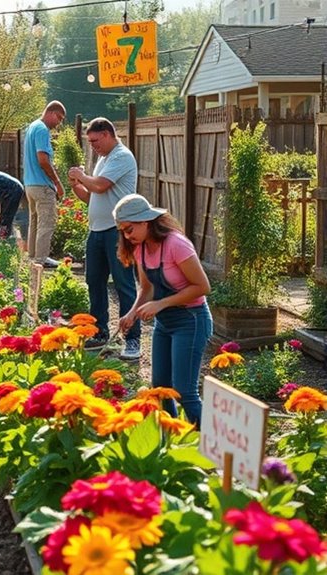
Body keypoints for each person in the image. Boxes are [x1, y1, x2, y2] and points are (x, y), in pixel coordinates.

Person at [115, 194, 212, 424]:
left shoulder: (175, 244)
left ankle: (210, 449)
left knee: (184, 391)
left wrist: (162, 303)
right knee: (160, 388)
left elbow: (202, 287)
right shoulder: (140, 248)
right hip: (165, 323)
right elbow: (146, 288)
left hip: (191, 319)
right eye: (122, 231)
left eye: (129, 229)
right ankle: (172, 439)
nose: (126, 236)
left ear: (145, 221)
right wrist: (131, 314)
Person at [69, 117, 141, 360]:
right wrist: (76, 186)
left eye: (96, 141)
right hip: (97, 230)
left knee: (124, 285)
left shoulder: (121, 156)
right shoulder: (103, 159)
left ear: (109, 134)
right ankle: (100, 333)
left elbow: (99, 186)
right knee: (94, 282)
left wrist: (81, 175)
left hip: (118, 231)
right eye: (90, 142)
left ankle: (132, 340)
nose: (93, 146)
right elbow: (93, 197)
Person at [23, 100, 66, 267]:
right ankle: (41, 260)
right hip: (42, 185)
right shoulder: (42, 129)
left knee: (34, 220)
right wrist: (57, 183)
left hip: (29, 184)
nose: (59, 123)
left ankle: (33, 256)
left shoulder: (32, 126)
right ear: (52, 113)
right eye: (59, 118)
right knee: (47, 222)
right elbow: (43, 160)